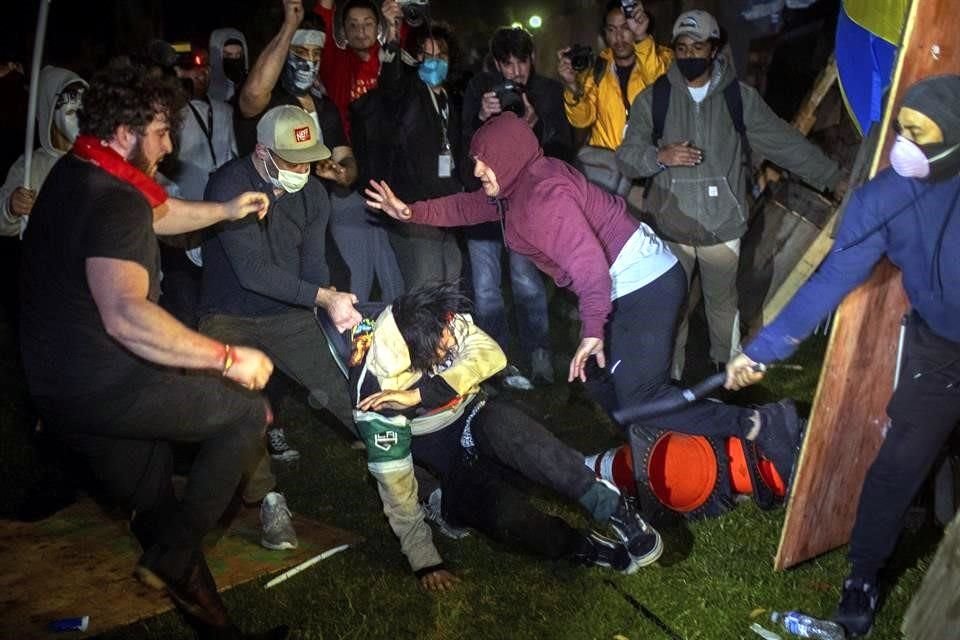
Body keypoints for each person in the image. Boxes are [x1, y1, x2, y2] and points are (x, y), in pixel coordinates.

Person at [366, 112, 803, 491]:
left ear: (506, 155)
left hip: (643, 285)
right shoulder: (519, 185)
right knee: (599, 379)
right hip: (625, 285)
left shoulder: (544, 197)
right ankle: (658, 441)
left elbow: (591, 267)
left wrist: (593, 331)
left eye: (483, 160)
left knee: (641, 396)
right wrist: (412, 212)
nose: (477, 168)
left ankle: (758, 425)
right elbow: (469, 207)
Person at [18, 62, 286, 640]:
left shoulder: (80, 170)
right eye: (163, 131)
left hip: (57, 388)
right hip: (104, 384)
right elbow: (127, 314)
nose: (169, 145)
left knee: (155, 508)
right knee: (245, 412)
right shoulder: (114, 200)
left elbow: (158, 213)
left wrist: (223, 210)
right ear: (124, 132)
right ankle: (174, 549)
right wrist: (227, 357)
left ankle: (214, 622)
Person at [726, 74, 960, 638]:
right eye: (899, 127)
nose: (901, 142)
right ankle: (862, 576)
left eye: (917, 134)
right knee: (899, 461)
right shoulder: (881, 200)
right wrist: (764, 348)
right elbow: (831, 279)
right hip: (939, 350)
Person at [347, 282, 663, 590]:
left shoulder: (431, 319)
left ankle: (612, 506)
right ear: (417, 352)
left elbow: (490, 353)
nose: (452, 342)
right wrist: (425, 561)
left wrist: (422, 394)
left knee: (516, 432)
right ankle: (582, 547)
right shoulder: (375, 399)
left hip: (474, 416)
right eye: (443, 346)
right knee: (507, 519)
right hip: (448, 460)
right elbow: (396, 490)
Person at [615, 10, 843, 379]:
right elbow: (626, 158)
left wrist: (831, 177)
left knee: (723, 307)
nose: (689, 55)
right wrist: (659, 156)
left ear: (714, 48)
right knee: (671, 309)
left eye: (698, 46)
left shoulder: (740, 99)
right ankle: (668, 384)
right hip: (670, 227)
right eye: (682, 47)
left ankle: (726, 379)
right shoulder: (653, 99)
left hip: (722, 226)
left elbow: (783, 143)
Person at [199, 104, 363, 550]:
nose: (303, 168)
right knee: (243, 410)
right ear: (262, 152)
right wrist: (321, 297)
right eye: (293, 159)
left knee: (345, 389)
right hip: (228, 314)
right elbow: (252, 272)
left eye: (309, 157)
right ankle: (268, 498)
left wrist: (331, 303)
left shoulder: (313, 194)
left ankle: (420, 479)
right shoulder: (230, 184)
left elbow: (313, 265)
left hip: (288, 314)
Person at [238, 0, 403, 302]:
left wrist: (343, 174)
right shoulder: (272, 103)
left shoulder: (325, 108)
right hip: (273, 218)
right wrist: (289, 27)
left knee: (340, 285)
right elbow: (251, 96)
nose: (309, 62)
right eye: (300, 53)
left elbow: (345, 156)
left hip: (317, 218)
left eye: (316, 54)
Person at [460, 26, 574, 387]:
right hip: (483, 206)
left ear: (532, 59)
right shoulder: (479, 90)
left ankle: (539, 355)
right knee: (485, 287)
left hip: (525, 207)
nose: (516, 72)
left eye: (521, 62)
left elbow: (563, 150)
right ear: (496, 64)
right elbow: (461, 146)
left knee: (527, 282)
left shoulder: (547, 91)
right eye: (507, 65)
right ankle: (497, 362)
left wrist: (533, 124)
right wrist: (480, 117)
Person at [375, 21, 464, 290]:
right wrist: (391, 35)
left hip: (446, 208)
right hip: (413, 208)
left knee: (452, 280)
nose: (434, 61)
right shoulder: (409, 93)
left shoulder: (452, 99)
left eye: (441, 55)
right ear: (415, 58)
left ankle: (443, 333)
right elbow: (390, 84)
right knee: (428, 286)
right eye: (426, 54)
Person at [557, 1, 671, 153]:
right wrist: (572, 87)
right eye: (611, 30)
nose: (618, 37)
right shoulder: (596, 69)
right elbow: (582, 120)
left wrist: (642, 38)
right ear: (604, 33)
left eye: (626, 28)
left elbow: (661, 89)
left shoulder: (663, 57)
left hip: (650, 163)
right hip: (607, 168)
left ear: (640, 25)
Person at [1, 66, 86, 237]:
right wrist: (11, 207)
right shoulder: (31, 165)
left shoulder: (98, 158)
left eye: (83, 109)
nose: (80, 118)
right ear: (50, 115)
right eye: (70, 112)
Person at [313, 0, 404, 136]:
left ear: (378, 28)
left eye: (368, 24)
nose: (360, 32)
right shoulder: (334, 61)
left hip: (388, 151)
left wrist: (396, 21)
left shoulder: (393, 59)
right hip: (343, 151)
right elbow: (320, 20)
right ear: (343, 31)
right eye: (352, 24)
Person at [209, 28, 249, 104]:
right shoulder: (204, 86)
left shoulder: (250, 83)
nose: (234, 59)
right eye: (227, 55)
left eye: (238, 55)